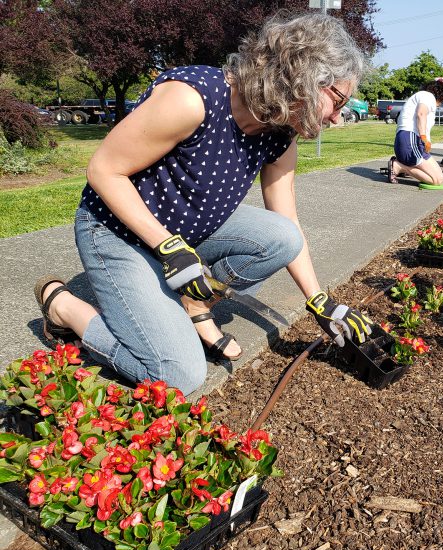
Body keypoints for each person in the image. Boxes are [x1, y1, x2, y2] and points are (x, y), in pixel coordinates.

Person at [33, 13, 372, 395]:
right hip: (117, 231)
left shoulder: (279, 135)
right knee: (177, 376)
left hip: (182, 236)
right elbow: (103, 170)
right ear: (304, 78)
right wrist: (169, 249)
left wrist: (319, 301)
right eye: (338, 100)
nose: (338, 116)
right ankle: (64, 308)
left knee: (282, 238)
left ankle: (194, 307)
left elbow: (287, 220)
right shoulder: (193, 99)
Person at [387, 80, 443, 185]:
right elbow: (421, 114)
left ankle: (402, 166)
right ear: (440, 96)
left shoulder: (420, 97)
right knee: (437, 181)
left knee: (439, 179)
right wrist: (424, 138)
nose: (439, 106)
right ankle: (398, 166)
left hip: (410, 142)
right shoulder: (428, 96)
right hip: (410, 141)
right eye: (441, 103)